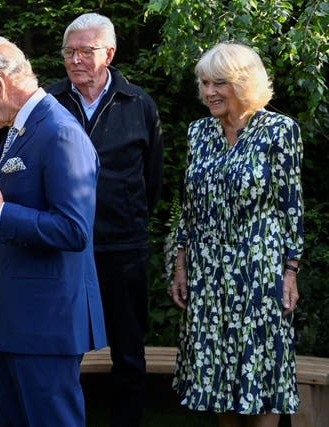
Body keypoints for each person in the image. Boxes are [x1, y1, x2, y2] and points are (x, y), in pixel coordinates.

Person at [0, 36, 107, 427]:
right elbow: (29, 210)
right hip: (17, 324)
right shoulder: (22, 129)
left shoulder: (60, 132)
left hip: (45, 325)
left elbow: (73, 230)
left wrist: (0, 215)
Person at [169, 42, 304, 427]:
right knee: (216, 375)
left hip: (260, 270)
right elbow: (188, 206)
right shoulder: (199, 133)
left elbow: (291, 207)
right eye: (205, 82)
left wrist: (291, 270)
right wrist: (180, 264)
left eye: (220, 83)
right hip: (209, 271)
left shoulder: (280, 131)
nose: (209, 91)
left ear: (244, 83)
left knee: (261, 372)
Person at [46, 12, 164, 427]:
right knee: (60, 344)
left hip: (123, 246)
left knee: (128, 348)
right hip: (62, 246)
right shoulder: (48, 103)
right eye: (69, 51)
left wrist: (125, 218)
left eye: (85, 51)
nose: (75, 59)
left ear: (109, 53)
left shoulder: (139, 104)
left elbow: (153, 179)